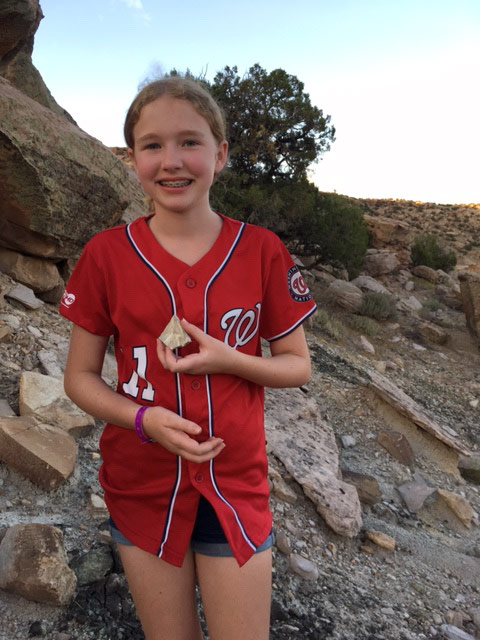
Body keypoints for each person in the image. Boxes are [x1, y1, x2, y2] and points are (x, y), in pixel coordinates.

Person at [60, 76, 317, 640]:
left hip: (234, 486)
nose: (171, 161)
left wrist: (230, 359)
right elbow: (79, 377)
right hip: (141, 485)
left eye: (190, 142)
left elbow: (297, 365)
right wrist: (144, 419)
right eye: (152, 145)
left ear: (220, 154)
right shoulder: (106, 255)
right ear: (131, 159)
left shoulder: (262, 250)